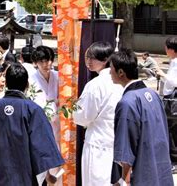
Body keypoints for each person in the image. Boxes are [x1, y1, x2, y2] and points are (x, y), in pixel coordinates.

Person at [0, 62, 64, 186]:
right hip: (26, 176)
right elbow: (42, 148)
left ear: (7, 84)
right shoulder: (33, 109)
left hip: (1, 174)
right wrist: (47, 175)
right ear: (27, 84)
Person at [110, 49, 173, 185]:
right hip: (161, 170)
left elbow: (126, 147)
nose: (110, 73)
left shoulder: (127, 102)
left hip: (143, 174)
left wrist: (123, 181)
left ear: (121, 72)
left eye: (111, 69)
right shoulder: (153, 94)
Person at [72, 42, 123, 186]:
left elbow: (83, 117)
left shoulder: (95, 85)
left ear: (105, 60)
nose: (88, 62)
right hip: (115, 141)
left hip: (98, 143)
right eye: (87, 57)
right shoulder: (120, 82)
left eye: (92, 58)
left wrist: (75, 110)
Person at [29, 45, 60, 144]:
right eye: (42, 61)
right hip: (40, 123)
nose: (47, 64)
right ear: (36, 63)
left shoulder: (58, 76)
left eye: (49, 60)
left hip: (58, 122)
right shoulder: (31, 80)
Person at [157, 36, 177, 168]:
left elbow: (174, 82)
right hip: (171, 99)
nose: (165, 49)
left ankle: (174, 160)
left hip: (172, 101)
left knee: (172, 129)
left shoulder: (175, 62)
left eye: (166, 47)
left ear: (172, 49)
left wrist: (161, 73)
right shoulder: (173, 61)